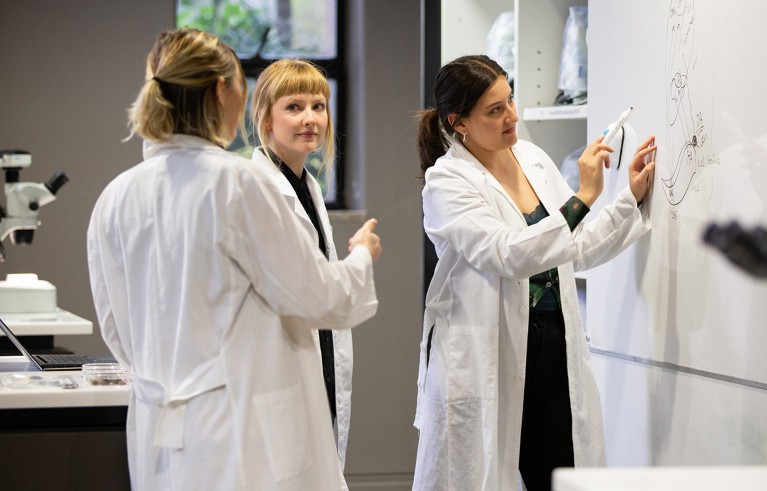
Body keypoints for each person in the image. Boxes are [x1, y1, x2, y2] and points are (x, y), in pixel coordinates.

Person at [87, 28, 381, 491]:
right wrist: (362, 258)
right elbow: (322, 299)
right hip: (241, 436)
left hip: (162, 433)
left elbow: (116, 329)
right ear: (226, 91)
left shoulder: (116, 197)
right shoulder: (238, 184)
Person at [412, 55, 656, 491]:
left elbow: (572, 250)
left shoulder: (532, 158)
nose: (512, 116)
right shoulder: (446, 182)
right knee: (487, 471)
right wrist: (582, 196)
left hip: (553, 343)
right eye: (495, 110)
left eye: (510, 100)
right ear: (459, 122)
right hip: (492, 350)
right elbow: (506, 254)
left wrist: (629, 199)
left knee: (560, 471)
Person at [249, 58, 353, 488]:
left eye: (319, 105)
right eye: (294, 107)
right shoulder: (255, 187)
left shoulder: (306, 184)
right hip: (275, 366)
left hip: (318, 351)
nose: (310, 118)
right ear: (266, 119)